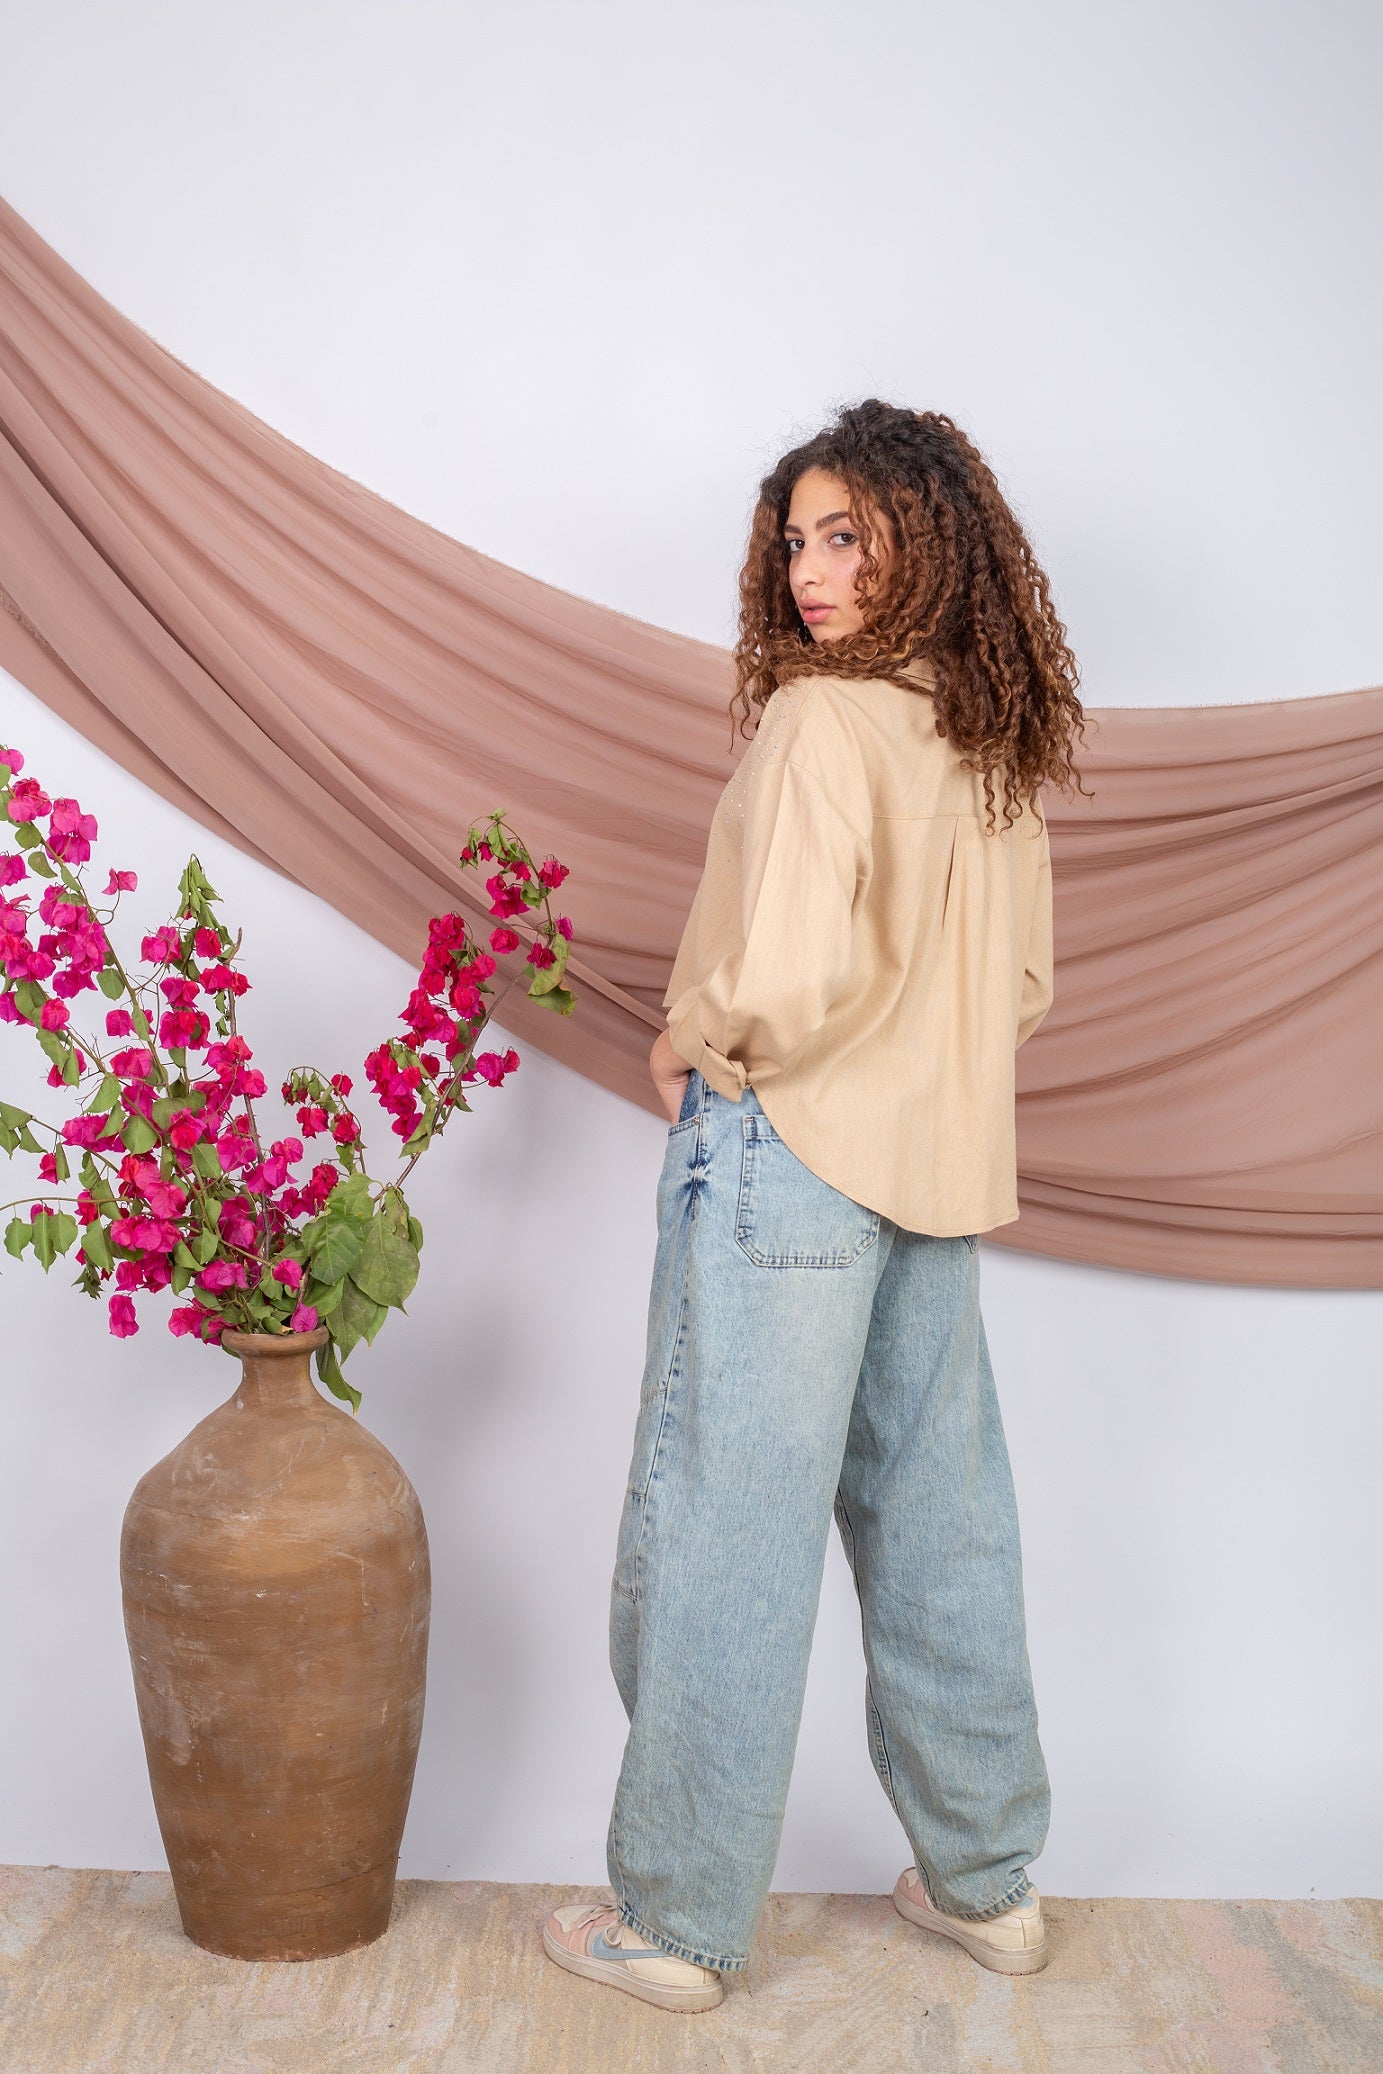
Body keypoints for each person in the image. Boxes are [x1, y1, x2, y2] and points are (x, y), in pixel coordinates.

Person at [543, 400, 1090, 2012]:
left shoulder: (818, 726)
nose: (808, 572)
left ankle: (678, 1920)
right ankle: (989, 1884)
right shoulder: (990, 740)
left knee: (727, 1519)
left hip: (789, 1152)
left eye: (845, 533)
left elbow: (774, 976)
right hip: (940, 1167)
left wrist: (688, 1038)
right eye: (795, 538)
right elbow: (1029, 987)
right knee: (942, 1519)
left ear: (927, 536)